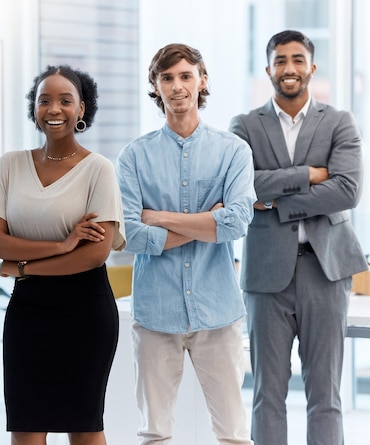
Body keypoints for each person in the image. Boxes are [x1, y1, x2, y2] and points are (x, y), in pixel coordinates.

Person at [229, 30, 367, 445]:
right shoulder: (244, 126)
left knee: (325, 393)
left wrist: (278, 202)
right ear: (268, 67)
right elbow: (242, 188)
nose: (289, 68)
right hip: (266, 275)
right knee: (266, 393)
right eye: (280, 60)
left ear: (311, 66)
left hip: (326, 270)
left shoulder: (340, 121)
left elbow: (348, 191)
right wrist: (307, 175)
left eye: (297, 59)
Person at [116, 43, 255, 445]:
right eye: (167, 78)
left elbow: (236, 223)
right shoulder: (133, 157)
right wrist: (206, 222)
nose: (177, 86)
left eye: (185, 76)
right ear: (155, 87)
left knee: (233, 434)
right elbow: (129, 234)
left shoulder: (233, 151)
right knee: (154, 433)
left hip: (219, 312)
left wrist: (159, 218)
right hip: (156, 313)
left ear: (202, 81)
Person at [0, 65, 126, 445]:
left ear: (82, 109)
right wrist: (62, 246)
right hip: (27, 312)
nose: (54, 109)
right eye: (44, 100)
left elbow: (94, 256)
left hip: (85, 312)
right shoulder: (10, 164)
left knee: (84, 428)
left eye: (66, 100)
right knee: (26, 429)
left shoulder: (99, 170)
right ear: (34, 108)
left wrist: (23, 266)